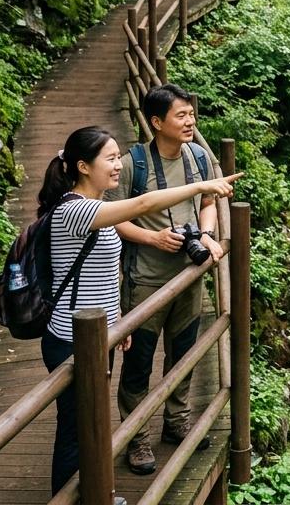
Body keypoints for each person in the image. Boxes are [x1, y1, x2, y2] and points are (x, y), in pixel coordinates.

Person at [36, 125, 239, 500]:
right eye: (110, 159)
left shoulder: (94, 208)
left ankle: (93, 492)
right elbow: (144, 205)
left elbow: (104, 271)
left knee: (90, 422)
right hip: (70, 337)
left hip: (98, 332)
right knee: (76, 427)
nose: (118, 165)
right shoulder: (75, 210)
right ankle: (73, 496)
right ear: (83, 166)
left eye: (118, 157)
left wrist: (118, 321)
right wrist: (199, 187)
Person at [108, 85, 227, 475]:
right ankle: (136, 438)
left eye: (191, 114)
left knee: (185, 353)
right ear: (157, 122)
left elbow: (207, 203)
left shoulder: (198, 156)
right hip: (145, 280)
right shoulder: (133, 165)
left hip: (189, 276)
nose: (190, 121)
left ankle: (177, 422)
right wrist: (154, 237)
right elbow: (115, 217)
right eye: (181, 116)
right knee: (139, 362)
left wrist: (206, 235)